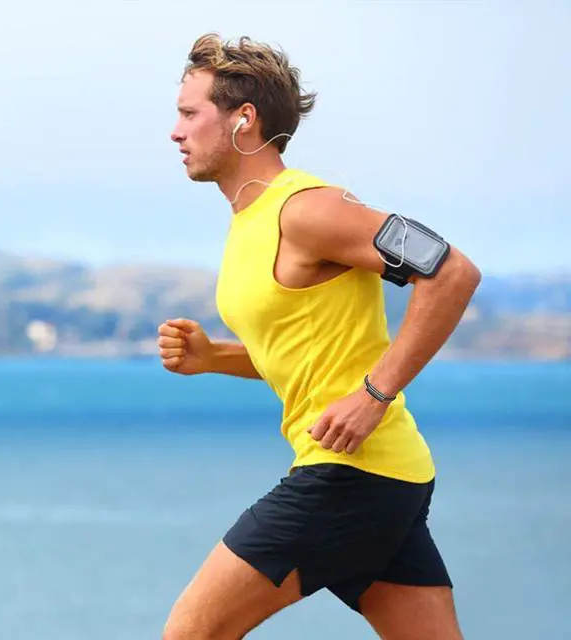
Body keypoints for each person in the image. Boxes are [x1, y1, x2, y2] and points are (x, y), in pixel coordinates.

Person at [158, 33, 481, 640]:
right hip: (388, 476)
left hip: (347, 476)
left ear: (243, 119)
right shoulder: (252, 220)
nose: (175, 132)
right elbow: (305, 350)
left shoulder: (308, 209)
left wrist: (373, 396)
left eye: (189, 113)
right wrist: (214, 357)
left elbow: (452, 272)